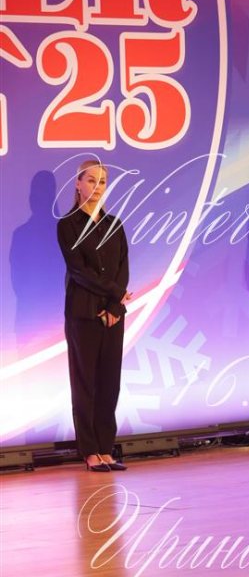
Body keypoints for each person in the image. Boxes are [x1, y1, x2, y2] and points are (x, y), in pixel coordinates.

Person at [57, 159, 132, 470]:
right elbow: (79, 270)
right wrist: (115, 294)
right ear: (78, 184)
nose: (97, 187)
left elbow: (122, 268)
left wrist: (115, 306)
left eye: (102, 182)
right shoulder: (68, 225)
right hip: (83, 313)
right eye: (91, 180)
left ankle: (106, 448)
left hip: (113, 315)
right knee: (85, 383)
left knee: (109, 383)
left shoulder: (114, 223)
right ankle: (89, 451)